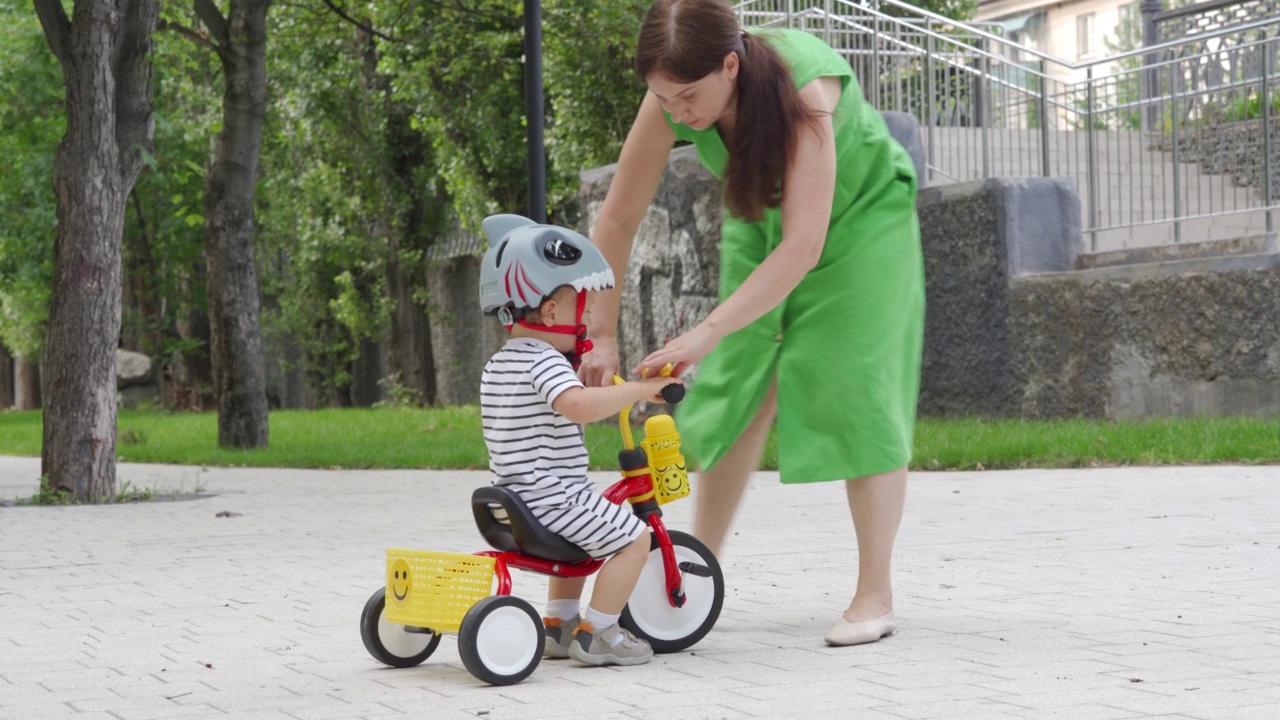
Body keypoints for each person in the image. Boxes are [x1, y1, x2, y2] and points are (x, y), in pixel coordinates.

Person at [576, 0, 925, 646]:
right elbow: (618, 219)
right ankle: (693, 573)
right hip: (760, 214)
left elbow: (804, 246)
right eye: (662, 97)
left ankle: (875, 592)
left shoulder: (804, 92)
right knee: (735, 379)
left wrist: (707, 330)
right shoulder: (671, 93)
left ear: (730, 65)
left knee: (856, 384)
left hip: (860, 220)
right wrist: (600, 330)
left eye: (687, 97)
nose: (676, 112)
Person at [477, 213, 683, 666]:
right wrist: (641, 391)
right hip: (551, 496)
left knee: (576, 548)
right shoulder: (545, 361)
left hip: (515, 497)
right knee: (633, 539)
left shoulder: (501, 363)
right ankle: (602, 633)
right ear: (551, 312)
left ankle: (560, 624)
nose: (588, 322)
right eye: (584, 311)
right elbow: (578, 406)